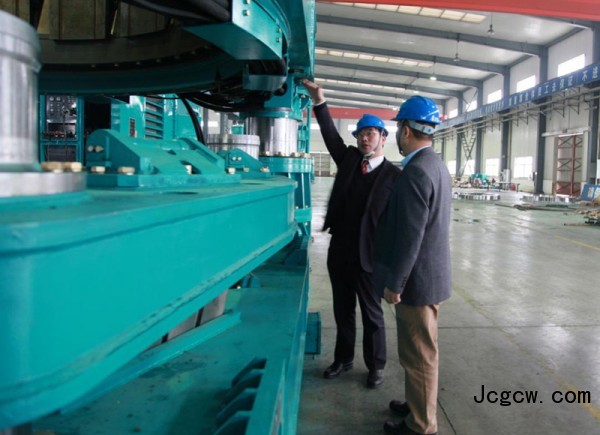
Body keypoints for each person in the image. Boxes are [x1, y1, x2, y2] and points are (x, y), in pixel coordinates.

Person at [302, 78, 401, 389]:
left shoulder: (394, 176)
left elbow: (399, 224)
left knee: (372, 315)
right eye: (360, 134)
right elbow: (330, 135)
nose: (364, 138)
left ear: (383, 137)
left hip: (370, 257)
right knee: (342, 310)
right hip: (340, 251)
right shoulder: (348, 161)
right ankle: (343, 359)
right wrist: (319, 101)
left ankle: (376, 366)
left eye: (370, 133)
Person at [374, 96, 452, 435]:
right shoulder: (436, 164)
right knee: (418, 351)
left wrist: (396, 283)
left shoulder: (417, 171)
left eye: (397, 129)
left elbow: (410, 236)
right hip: (430, 276)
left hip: (417, 283)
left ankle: (421, 425)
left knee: (419, 355)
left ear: (406, 130)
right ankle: (416, 404)